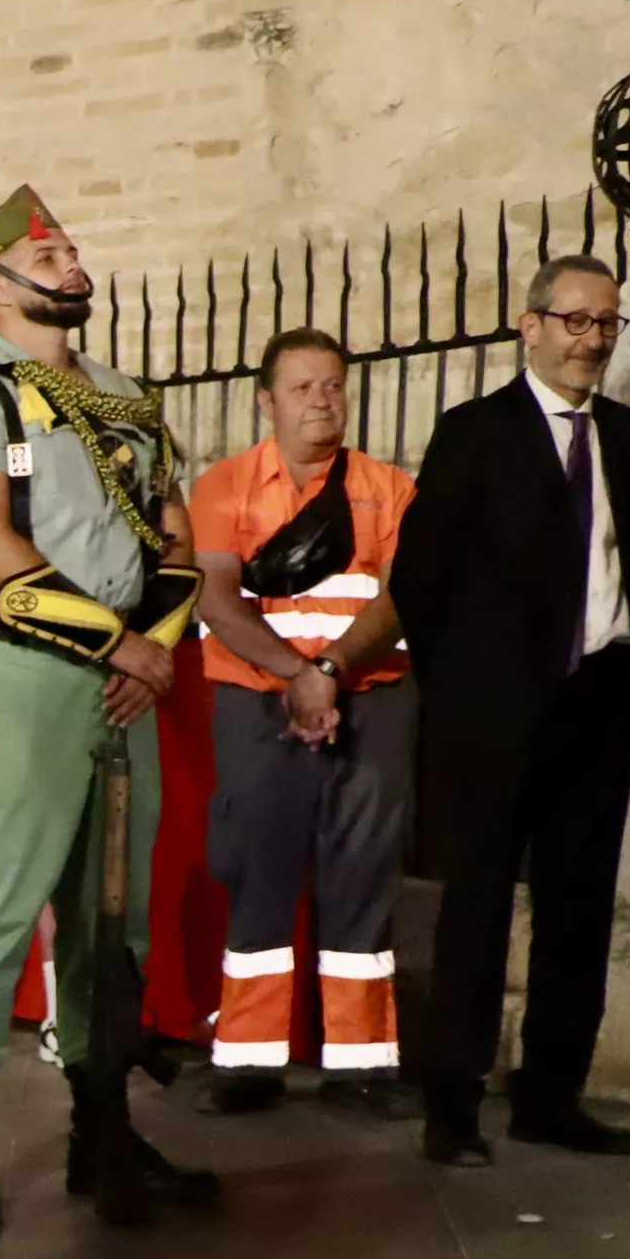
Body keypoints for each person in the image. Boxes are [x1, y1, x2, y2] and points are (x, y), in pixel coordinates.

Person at [0, 186, 216, 1234]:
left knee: (109, 917)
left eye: (75, 248)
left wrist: (156, 650)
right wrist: (116, 643)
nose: (72, 261)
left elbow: (176, 541)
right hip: (26, 676)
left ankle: (102, 1133)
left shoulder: (128, 395)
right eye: (50, 253)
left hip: (128, 679)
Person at [397, 255, 630, 1163]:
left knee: (579, 907)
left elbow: (617, 556)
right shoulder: (474, 433)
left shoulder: (626, 435)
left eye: (607, 325)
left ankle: (552, 1095)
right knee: (476, 907)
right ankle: (454, 1103)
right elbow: (418, 578)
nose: (592, 341)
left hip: (596, 697)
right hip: (495, 711)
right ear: (531, 324)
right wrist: (467, 691)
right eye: (577, 321)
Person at [188, 327, 419, 1115]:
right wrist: (298, 677)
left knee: (364, 874)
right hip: (259, 702)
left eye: (334, 385)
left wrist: (328, 673)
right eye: (303, 387)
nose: (323, 399)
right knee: (259, 868)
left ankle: (360, 1067)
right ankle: (247, 1063)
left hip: (372, 696)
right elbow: (215, 598)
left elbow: (397, 598)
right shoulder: (225, 486)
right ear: (267, 401)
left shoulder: (390, 488)